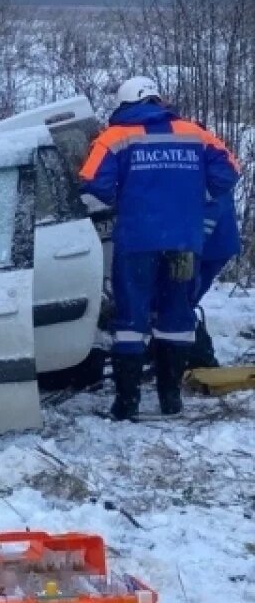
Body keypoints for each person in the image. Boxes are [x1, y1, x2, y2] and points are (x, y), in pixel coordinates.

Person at [79, 77, 239, 419]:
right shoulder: (195, 133)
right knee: (176, 316)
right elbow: (229, 172)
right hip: (183, 242)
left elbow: (93, 182)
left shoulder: (114, 138)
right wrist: (192, 201)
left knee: (130, 319)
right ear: (157, 99)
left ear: (124, 104)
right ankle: (170, 400)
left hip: (136, 241)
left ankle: (126, 404)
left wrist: (127, 199)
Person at [189, 183, 242, 368]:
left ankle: (198, 357)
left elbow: (213, 200)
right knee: (181, 301)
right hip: (214, 242)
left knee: (179, 302)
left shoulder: (203, 159)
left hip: (206, 245)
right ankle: (189, 355)